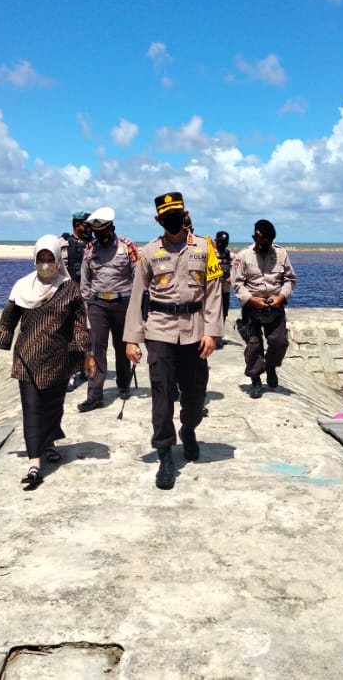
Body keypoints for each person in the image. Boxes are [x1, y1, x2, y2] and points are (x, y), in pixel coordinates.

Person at [124, 192, 223, 490]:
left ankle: (189, 429)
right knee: (162, 393)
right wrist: (132, 338)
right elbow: (137, 295)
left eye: (177, 215)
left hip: (195, 330)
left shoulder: (205, 248)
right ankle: (165, 453)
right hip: (160, 330)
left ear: (185, 213)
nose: (173, 221)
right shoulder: (149, 252)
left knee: (195, 394)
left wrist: (212, 332)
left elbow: (214, 290)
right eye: (166, 217)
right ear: (158, 219)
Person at [0, 234, 96, 487]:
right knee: (32, 409)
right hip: (27, 359)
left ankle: (49, 443)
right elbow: (8, 319)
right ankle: (35, 462)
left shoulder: (69, 289)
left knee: (53, 408)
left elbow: (79, 327)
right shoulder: (22, 287)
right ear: (34, 260)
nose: (45, 264)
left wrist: (87, 355)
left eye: (49, 259)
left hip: (58, 360)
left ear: (57, 261)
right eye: (40, 259)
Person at [78, 206, 139, 412]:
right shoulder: (90, 249)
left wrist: (136, 308)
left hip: (123, 303)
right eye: (97, 232)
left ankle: (123, 385)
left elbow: (137, 277)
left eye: (104, 231)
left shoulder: (127, 247)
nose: (100, 236)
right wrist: (87, 306)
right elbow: (85, 280)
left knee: (122, 347)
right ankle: (94, 395)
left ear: (112, 227)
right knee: (97, 348)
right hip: (97, 304)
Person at [231, 219, 296, 398]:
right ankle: (256, 379)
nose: (265, 246)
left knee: (279, 342)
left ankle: (271, 366)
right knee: (254, 345)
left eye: (268, 242)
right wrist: (251, 300)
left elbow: (290, 279)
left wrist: (282, 296)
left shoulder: (281, 254)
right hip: (252, 307)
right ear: (255, 237)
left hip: (275, 305)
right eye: (261, 242)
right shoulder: (243, 256)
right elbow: (237, 284)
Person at [60, 210, 92, 391]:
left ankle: (85, 366)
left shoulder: (94, 244)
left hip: (88, 294)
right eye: (86, 225)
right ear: (77, 224)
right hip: (68, 293)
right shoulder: (63, 243)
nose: (89, 229)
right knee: (69, 334)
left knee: (88, 332)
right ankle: (70, 373)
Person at [213, 231, 233, 347]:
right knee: (213, 313)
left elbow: (236, 269)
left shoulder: (229, 254)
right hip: (213, 291)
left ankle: (219, 337)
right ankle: (212, 337)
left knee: (224, 313)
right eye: (220, 242)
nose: (222, 244)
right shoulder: (211, 254)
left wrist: (232, 277)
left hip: (225, 289)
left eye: (224, 242)